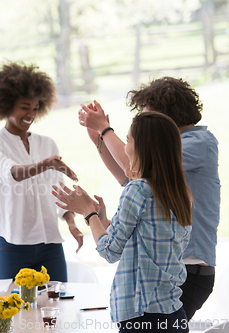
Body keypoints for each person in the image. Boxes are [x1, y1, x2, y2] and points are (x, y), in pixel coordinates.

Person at [78, 76, 220, 320]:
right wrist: (101, 142)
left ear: (164, 119)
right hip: (172, 267)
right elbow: (132, 177)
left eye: (147, 116)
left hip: (187, 268)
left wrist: (105, 129)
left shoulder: (198, 142)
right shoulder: (146, 183)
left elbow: (134, 172)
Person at [53, 111, 192, 332]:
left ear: (142, 147)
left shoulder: (138, 190)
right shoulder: (180, 193)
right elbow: (140, 240)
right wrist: (102, 220)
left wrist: (87, 212)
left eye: (128, 139)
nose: (125, 146)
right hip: (173, 314)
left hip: (142, 317)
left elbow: (109, 251)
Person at [0, 61, 80, 282]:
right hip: (11, 244)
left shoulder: (47, 143)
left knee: (57, 307)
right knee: (12, 311)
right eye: (24, 106)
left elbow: (58, 192)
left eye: (35, 108)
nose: (30, 114)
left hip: (50, 242)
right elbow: (10, 173)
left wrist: (71, 223)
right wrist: (46, 164)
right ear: (6, 104)